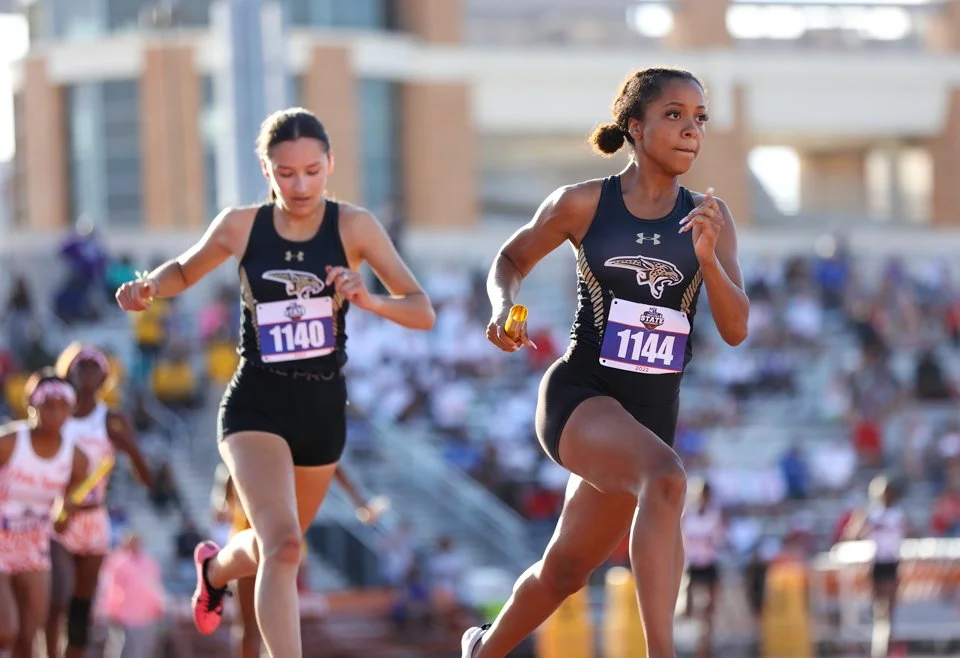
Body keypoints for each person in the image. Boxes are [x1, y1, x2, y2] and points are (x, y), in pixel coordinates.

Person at [115, 107, 435, 658]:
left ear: (330, 165)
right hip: (256, 404)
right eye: (287, 173)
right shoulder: (242, 225)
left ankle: (214, 570)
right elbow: (185, 270)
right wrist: (147, 287)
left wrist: (365, 297)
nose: (301, 184)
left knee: (274, 550)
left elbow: (421, 309)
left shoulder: (354, 225)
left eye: (312, 170)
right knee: (284, 547)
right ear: (267, 171)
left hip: (322, 408)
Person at [462, 67, 749, 658]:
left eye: (700, 118)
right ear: (635, 127)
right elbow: (509, 260)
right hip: (580, 400)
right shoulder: (583, 203)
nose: (691, 129)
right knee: (666, 477)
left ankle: (481, 650)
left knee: (566, 570)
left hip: (648, 418)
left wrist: (708, 259)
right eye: (674, 114)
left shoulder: (710, 221)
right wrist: (502, 307)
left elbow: (737, 328)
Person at [210, 462, 388, 658]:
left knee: (276, 628)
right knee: (250, 627)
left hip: (279, 552)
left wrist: (360, 503)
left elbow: (330, 460)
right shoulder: (234, 463)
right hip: (248, 551)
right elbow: (219, 511)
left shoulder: (286, 453)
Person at [45, 343, 155, 658]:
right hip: (59, 516)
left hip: (94, 519)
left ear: (105, 375)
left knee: (82, 605)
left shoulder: (112, 419)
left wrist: (130, 446)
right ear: (70, 371)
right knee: (58, 596)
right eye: (83, 366)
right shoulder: (58, 416)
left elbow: (146, 480)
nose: (89, 373)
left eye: (96, 367)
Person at [0, 371, 90, 658]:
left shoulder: (77, 459)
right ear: (31, 405)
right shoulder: (9, 443)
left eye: (63, 406)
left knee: (28, 638)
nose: (55, 413)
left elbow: (61, 527)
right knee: (6, 630)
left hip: (34, 545)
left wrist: (67, 513)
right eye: (48, 406)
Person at [846, 475, 908, 658]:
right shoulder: (871, 514)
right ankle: (879, 647)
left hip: (891, 562)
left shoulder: (898, 514)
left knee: (888, 611)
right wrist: (864, 523)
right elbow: (853, 535)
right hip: (876, 564)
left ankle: (885, 647)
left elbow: (908, 532)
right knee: (879, 611)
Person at [681, 478, 725, 658]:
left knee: (709, 609)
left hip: (709, 564)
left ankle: (706, 645)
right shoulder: (687, 516)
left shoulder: (715, 516)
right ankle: (692, 642)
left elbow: (719, 540)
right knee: (688, 607)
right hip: (693, 565)